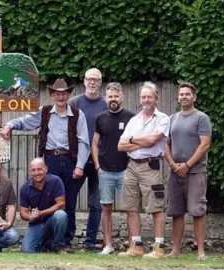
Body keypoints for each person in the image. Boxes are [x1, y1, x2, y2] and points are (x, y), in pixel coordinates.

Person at [2, 79, 90, 252]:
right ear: (52, 95)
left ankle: (65, 241)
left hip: (71, 161)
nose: (60, 96)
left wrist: (80, 165)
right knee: (49, 200)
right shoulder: (45, 112)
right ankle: (46, 240)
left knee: (69, 203)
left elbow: (84, 142)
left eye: (64, 93)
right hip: (50, 160)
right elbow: (26, 121)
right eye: (57, 93)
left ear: (68, 95)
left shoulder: (78, 114)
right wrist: (9, 125)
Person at [117, 81, 169, 259]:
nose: (146, 100)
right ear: (140, 99)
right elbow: (120, 146)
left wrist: (132, 139)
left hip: (150, 166)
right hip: (131, 166)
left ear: (156, 99)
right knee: (130, 207)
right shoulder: (134, 120)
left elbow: (153, 141)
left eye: (149, 96)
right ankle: (136, 246)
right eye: (143, 97)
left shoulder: (162, 119)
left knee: (156, 207)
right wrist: (140, 140)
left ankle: (159, 248)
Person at [164, 82, 212, 260]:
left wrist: (187, 165)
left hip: (195, 172)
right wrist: (173, 164)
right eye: (181, 94)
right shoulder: (172, 119)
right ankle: (175, 251)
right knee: (176, 212)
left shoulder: (201, 118)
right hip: (176, 172)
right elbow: (166, 145)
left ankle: (201, 252)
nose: (184, 96)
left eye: (187, 94)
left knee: (197, 211)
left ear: (194, 97)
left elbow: (205, 144)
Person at [92, 83, 135, 254]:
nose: (113, 100)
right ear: (106, 98)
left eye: (116, 96)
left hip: (126, 170)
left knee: (131, 209)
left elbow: (136, 142)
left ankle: (134, 245)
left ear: (122, 97)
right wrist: (97, 167)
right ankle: (108, 245)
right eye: (110, 97)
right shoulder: (100, 118)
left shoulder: (132, 117)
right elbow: (95, 144)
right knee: (106, 208)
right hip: (106, 171)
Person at [69, 68, 107, 250]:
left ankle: (90, 243)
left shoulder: (105, 105)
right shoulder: (74, 103)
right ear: (84, 82)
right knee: (69, 200)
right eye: (89, 79)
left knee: (96, 204)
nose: (92, 83)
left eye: (96, 80)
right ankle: (67, 240)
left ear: (100, 83)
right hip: (78, 161)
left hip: (99, 163)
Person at [19, 158, 67, 253]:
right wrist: (30, 216)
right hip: (36, 224)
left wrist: (41, 213)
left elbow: (61, 205)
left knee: (61, 215)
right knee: (26, 250)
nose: (37, 173)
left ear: (46, 169)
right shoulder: (25, 188)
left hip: (53, 220)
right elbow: (22, 213)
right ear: (30, 172)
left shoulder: (56, 181)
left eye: (39, 169)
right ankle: (46, 245)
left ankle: (58, 246)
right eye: (33, 170)